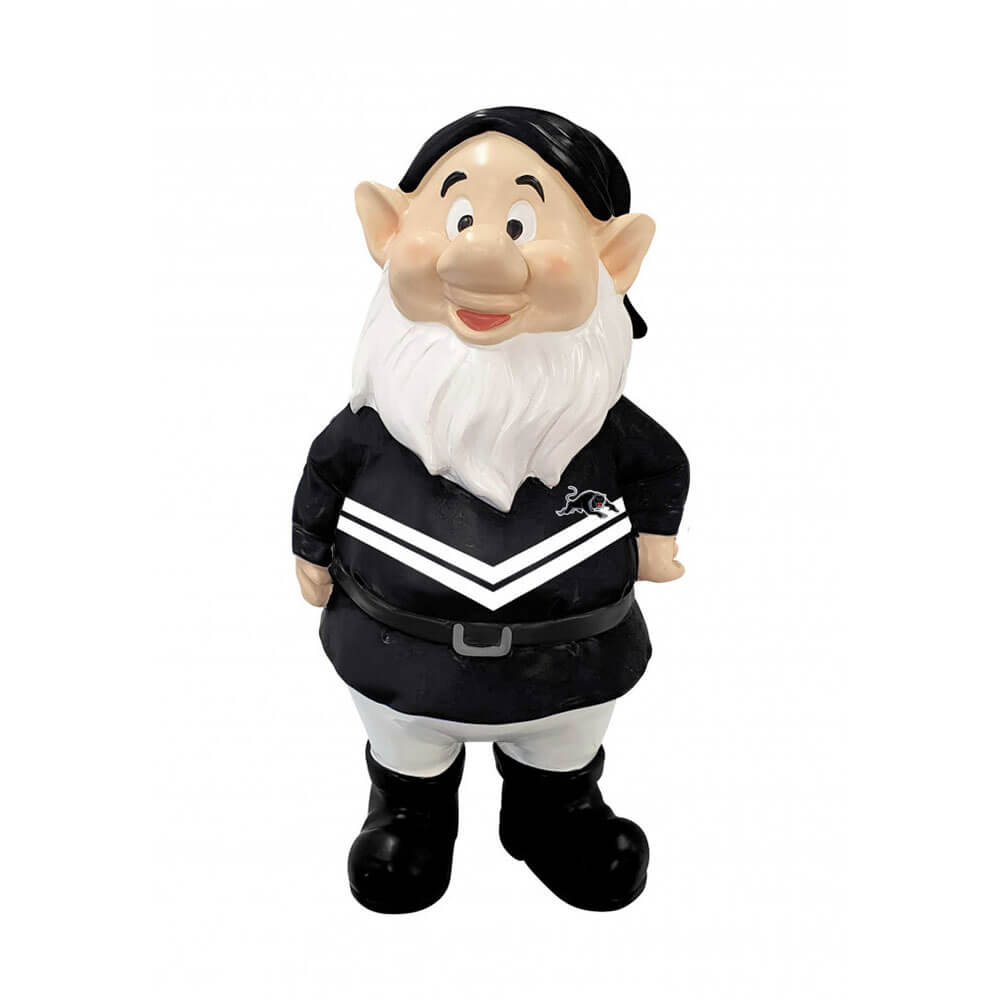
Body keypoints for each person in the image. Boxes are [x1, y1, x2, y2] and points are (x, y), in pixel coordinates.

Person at [292, 107, 689, 913]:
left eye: (520, 225)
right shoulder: (372, 429)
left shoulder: (605, 431)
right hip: (399, 658)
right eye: (459, 218)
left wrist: (655, 539)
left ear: (614, 258)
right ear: (387, 231)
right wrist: (309, 549)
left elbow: (662, 467)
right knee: (407, 752)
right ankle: (409, 811)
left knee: (563, 749)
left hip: (570, 666)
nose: (480, 256)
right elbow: (323, 474)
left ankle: (554, 812)